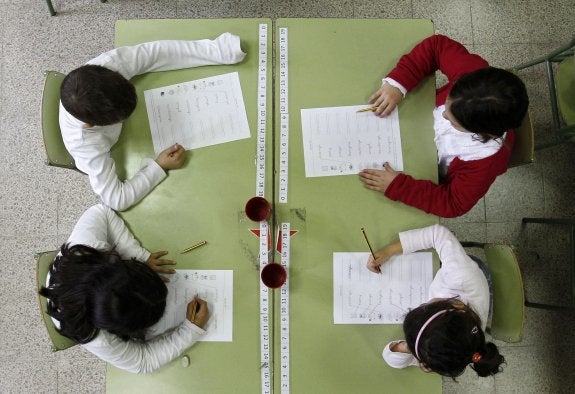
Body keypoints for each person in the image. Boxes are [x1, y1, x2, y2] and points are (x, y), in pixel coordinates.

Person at [60, 33, 246, 211]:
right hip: (127, 146)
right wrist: (158, 167)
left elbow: (157, 53)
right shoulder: (86, 145)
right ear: (91, 125)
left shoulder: (106, 65)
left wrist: (219, 51)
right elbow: (116, 199)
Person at [359, 34, 529, 218]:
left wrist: (398, 186)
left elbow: (453, 204)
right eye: (448, 102)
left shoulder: (484, 163)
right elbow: (436, 46)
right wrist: (398, 84)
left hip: (422, 167)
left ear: (480, 131)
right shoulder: (473, 75)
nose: (444, 114)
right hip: (413, 130)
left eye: (453, 121)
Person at [39, 204, 209, 374]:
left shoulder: (87, 248)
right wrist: (190, 330)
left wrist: (142, 256)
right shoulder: (99, 339)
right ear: (122, 330)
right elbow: (143, 362)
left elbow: (101, 211)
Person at [366, 224, 504, 378]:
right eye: (426, 306)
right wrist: (390, 250)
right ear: (456, 304)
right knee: (471, 265)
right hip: (476, 275)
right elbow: (437, 233)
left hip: (471, 301)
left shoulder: (449, 354)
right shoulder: (460, 273)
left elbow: (390, 357)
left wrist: (410, 348)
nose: (424, 303)